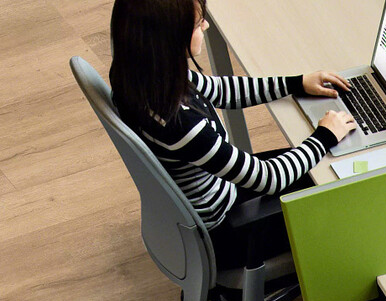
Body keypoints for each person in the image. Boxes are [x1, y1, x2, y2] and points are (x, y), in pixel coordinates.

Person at [109, 0, 356, 268]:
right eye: (197, 23)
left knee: (329, 169)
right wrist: (325, 136)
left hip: (222, 195)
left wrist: (295, 83)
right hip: (230, 232)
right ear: (170, 37)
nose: (206, 24)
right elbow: (268, 179)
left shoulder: (146, 76)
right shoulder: (180, 124)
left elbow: (220, 90)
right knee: (347, 194)